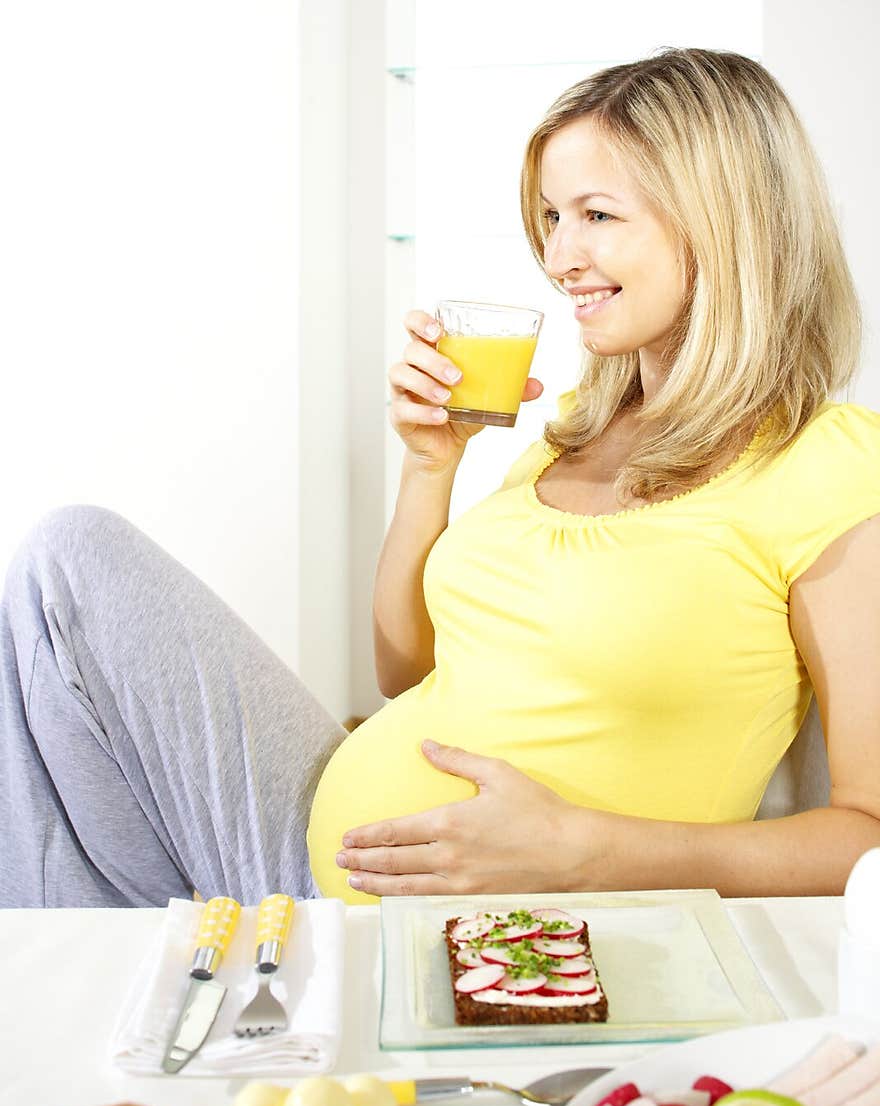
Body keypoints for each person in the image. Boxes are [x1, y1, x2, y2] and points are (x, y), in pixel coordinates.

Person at [2, 47, 879, 911]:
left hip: (520, 926)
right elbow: (403, 667)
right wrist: (431, 465)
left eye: (597, 215)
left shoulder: (830, 466)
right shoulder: (573, 431)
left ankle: (109, 980)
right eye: (549, 218)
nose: (560, 254)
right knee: (65, 564)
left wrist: (584, 852)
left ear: (725, 223)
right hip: (333, 861)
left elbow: (866, 833)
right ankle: (83, 975)